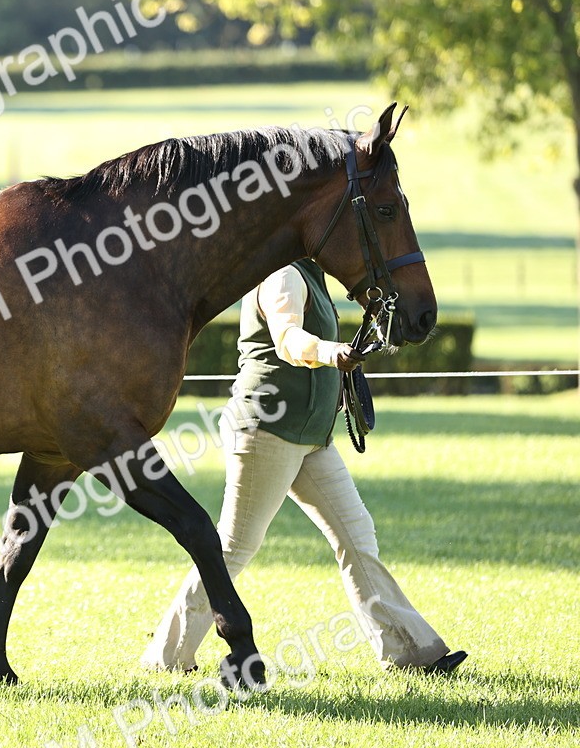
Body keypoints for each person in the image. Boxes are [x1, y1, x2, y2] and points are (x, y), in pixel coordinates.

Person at [142, 258, 466, 674]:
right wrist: (332, 352)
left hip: (312, 438)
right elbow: (287, 339)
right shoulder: (283, 272)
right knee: (233, 548)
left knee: (356, 536)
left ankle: (412, 654)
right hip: (267, 433)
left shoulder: (313, 274)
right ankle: (167, 657)